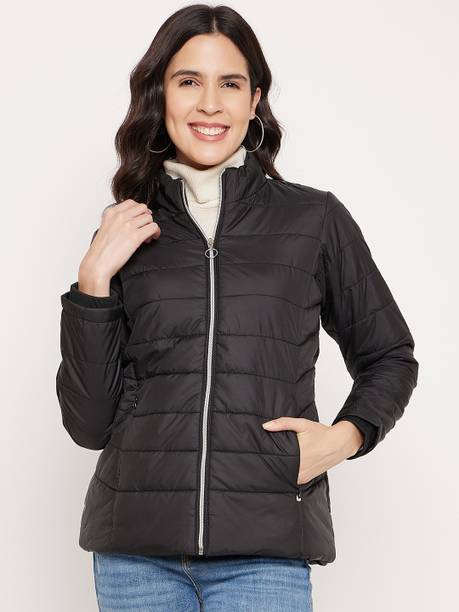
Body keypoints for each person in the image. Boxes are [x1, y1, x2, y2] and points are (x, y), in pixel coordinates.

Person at [56, 4, 419, 611]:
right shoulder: (125, 231)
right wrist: (92, 281)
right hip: (134, 555)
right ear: (160, 96)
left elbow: (390, 355)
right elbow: (89, 425)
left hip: (265, 550)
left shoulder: (313, 219)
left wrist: (345, 438)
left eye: (229, 84)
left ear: (254, 101)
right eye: (188, 81)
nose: (209, 104)